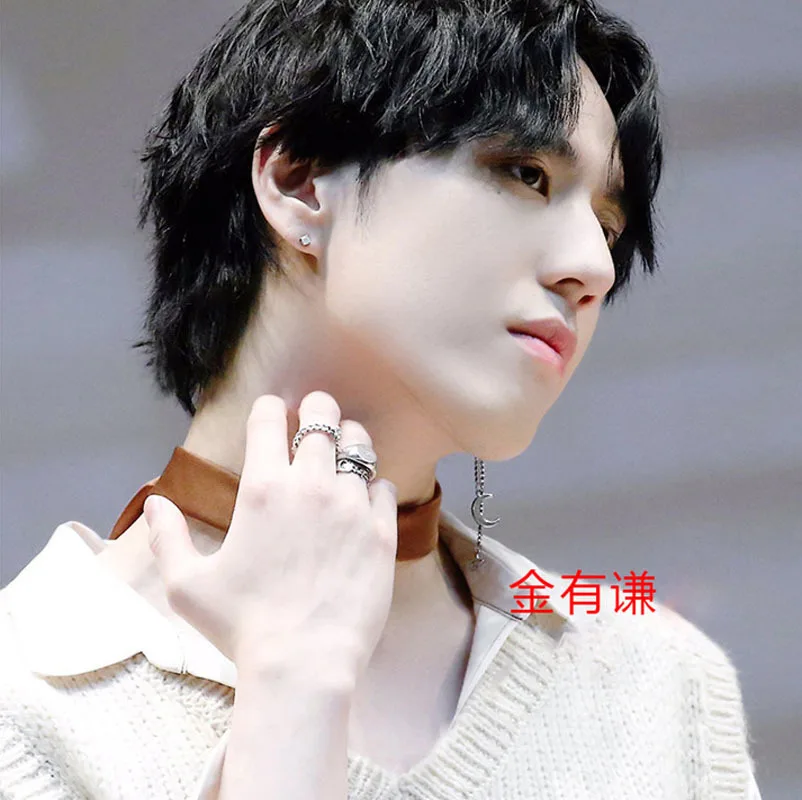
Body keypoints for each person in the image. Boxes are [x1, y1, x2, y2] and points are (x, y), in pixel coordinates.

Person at [0, 1, 761, 798]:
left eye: (606, 227)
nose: (594, 268)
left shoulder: (657, 685)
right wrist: (293, 688)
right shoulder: (28, 706)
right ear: (298, 180)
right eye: (527, 174)